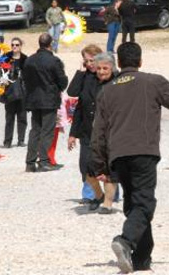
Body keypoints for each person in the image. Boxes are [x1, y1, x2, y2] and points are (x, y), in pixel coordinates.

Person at [90, 42, 169, 274]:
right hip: (143, 152)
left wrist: (99, 165)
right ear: (141, 61)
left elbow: (98, 133)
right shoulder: (152, 81)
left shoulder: (107, 90)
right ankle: (125, 241)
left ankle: (141, 260)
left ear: (120, 64)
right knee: (144, 204)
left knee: (135, 205)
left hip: (117, 156)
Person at [67, 48, 120, 214]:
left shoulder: (117, 82)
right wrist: (73, 133)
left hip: (111, 133)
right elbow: (78, 104)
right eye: (97, 67)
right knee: (87, 168)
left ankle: (108, 202)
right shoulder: (88, 79)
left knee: (110, 169)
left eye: (104, 68)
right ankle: (98, 196)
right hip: (88, 132)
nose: (100, 70)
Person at [23, 33, 68, 172]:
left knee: (35, 130)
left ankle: (30, 162)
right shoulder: (53, 61)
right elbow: (62, 81)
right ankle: (44, 160)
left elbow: (25, 79)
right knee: (47, 131)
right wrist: (59, 87)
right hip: (49, 99)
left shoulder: (29, 60)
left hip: (34, 99)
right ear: (51, 44)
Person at [0, 37, 28, 148]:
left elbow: (30, 76)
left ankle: (21, 140)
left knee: (22, 117)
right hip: (9, 91)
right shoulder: (6, 58)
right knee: (9, 117)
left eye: (17, 45)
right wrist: (1, 78)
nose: (14, 46)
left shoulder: (25, 59)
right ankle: (7, 141)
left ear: (21, 46)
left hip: (22, 91)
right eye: (13, 44)